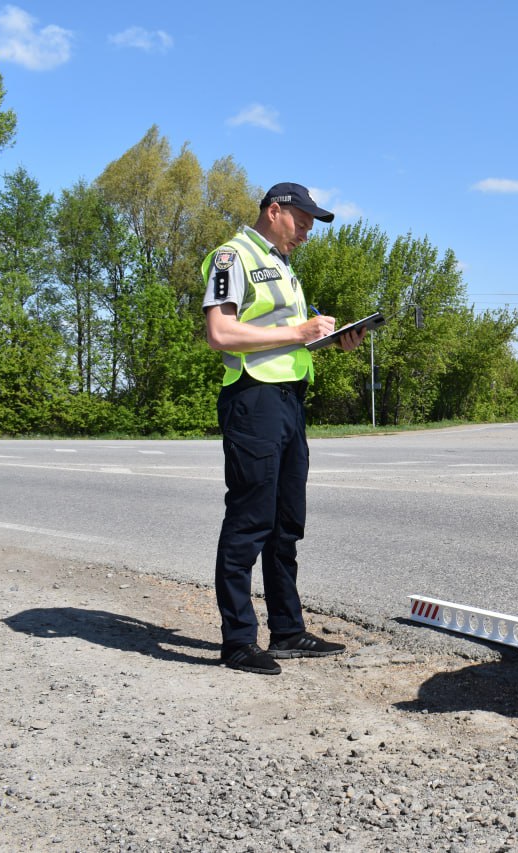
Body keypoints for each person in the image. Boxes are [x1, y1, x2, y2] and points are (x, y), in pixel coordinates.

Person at [202, 182, 365, 675]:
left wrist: (330, 340)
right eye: (302, 223)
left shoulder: (284, 266)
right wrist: (298, 331)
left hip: (290, 399)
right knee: (250, 520)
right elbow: (220, 333)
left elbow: (282, 340)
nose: (306, 234)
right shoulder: (232, 257)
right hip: (253, 398)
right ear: (274, 211)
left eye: (311, 227)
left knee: (286, 523)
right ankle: (237, 641)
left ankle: (287, 630)